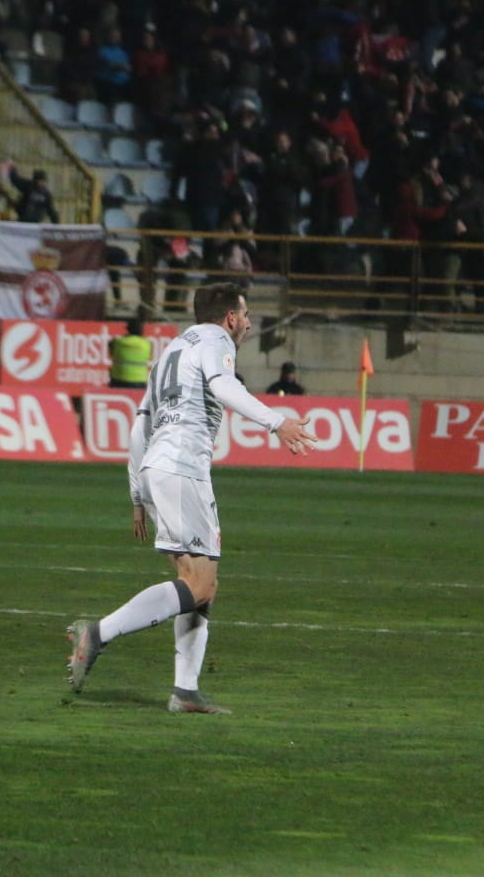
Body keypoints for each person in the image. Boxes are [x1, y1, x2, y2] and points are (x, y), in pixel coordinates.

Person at [66, 282, 318, 713]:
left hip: (159, 468)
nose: (249, 322)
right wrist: (276, 422)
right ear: (230, 318)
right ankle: (99, 633)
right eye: (246, 314)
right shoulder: (216, 341)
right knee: (199, 585)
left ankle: (185, 691)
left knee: (200, 584)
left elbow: (139, 425)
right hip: (182, 467)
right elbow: (223, 387)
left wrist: (137, 493)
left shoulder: (171, 350)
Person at [109, 318, 151, 389]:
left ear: (127, 329)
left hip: (119, 380)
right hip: (140, 382)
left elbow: (111, 354)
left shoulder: (118, 342)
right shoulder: (147, 344)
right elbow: (149, 358)